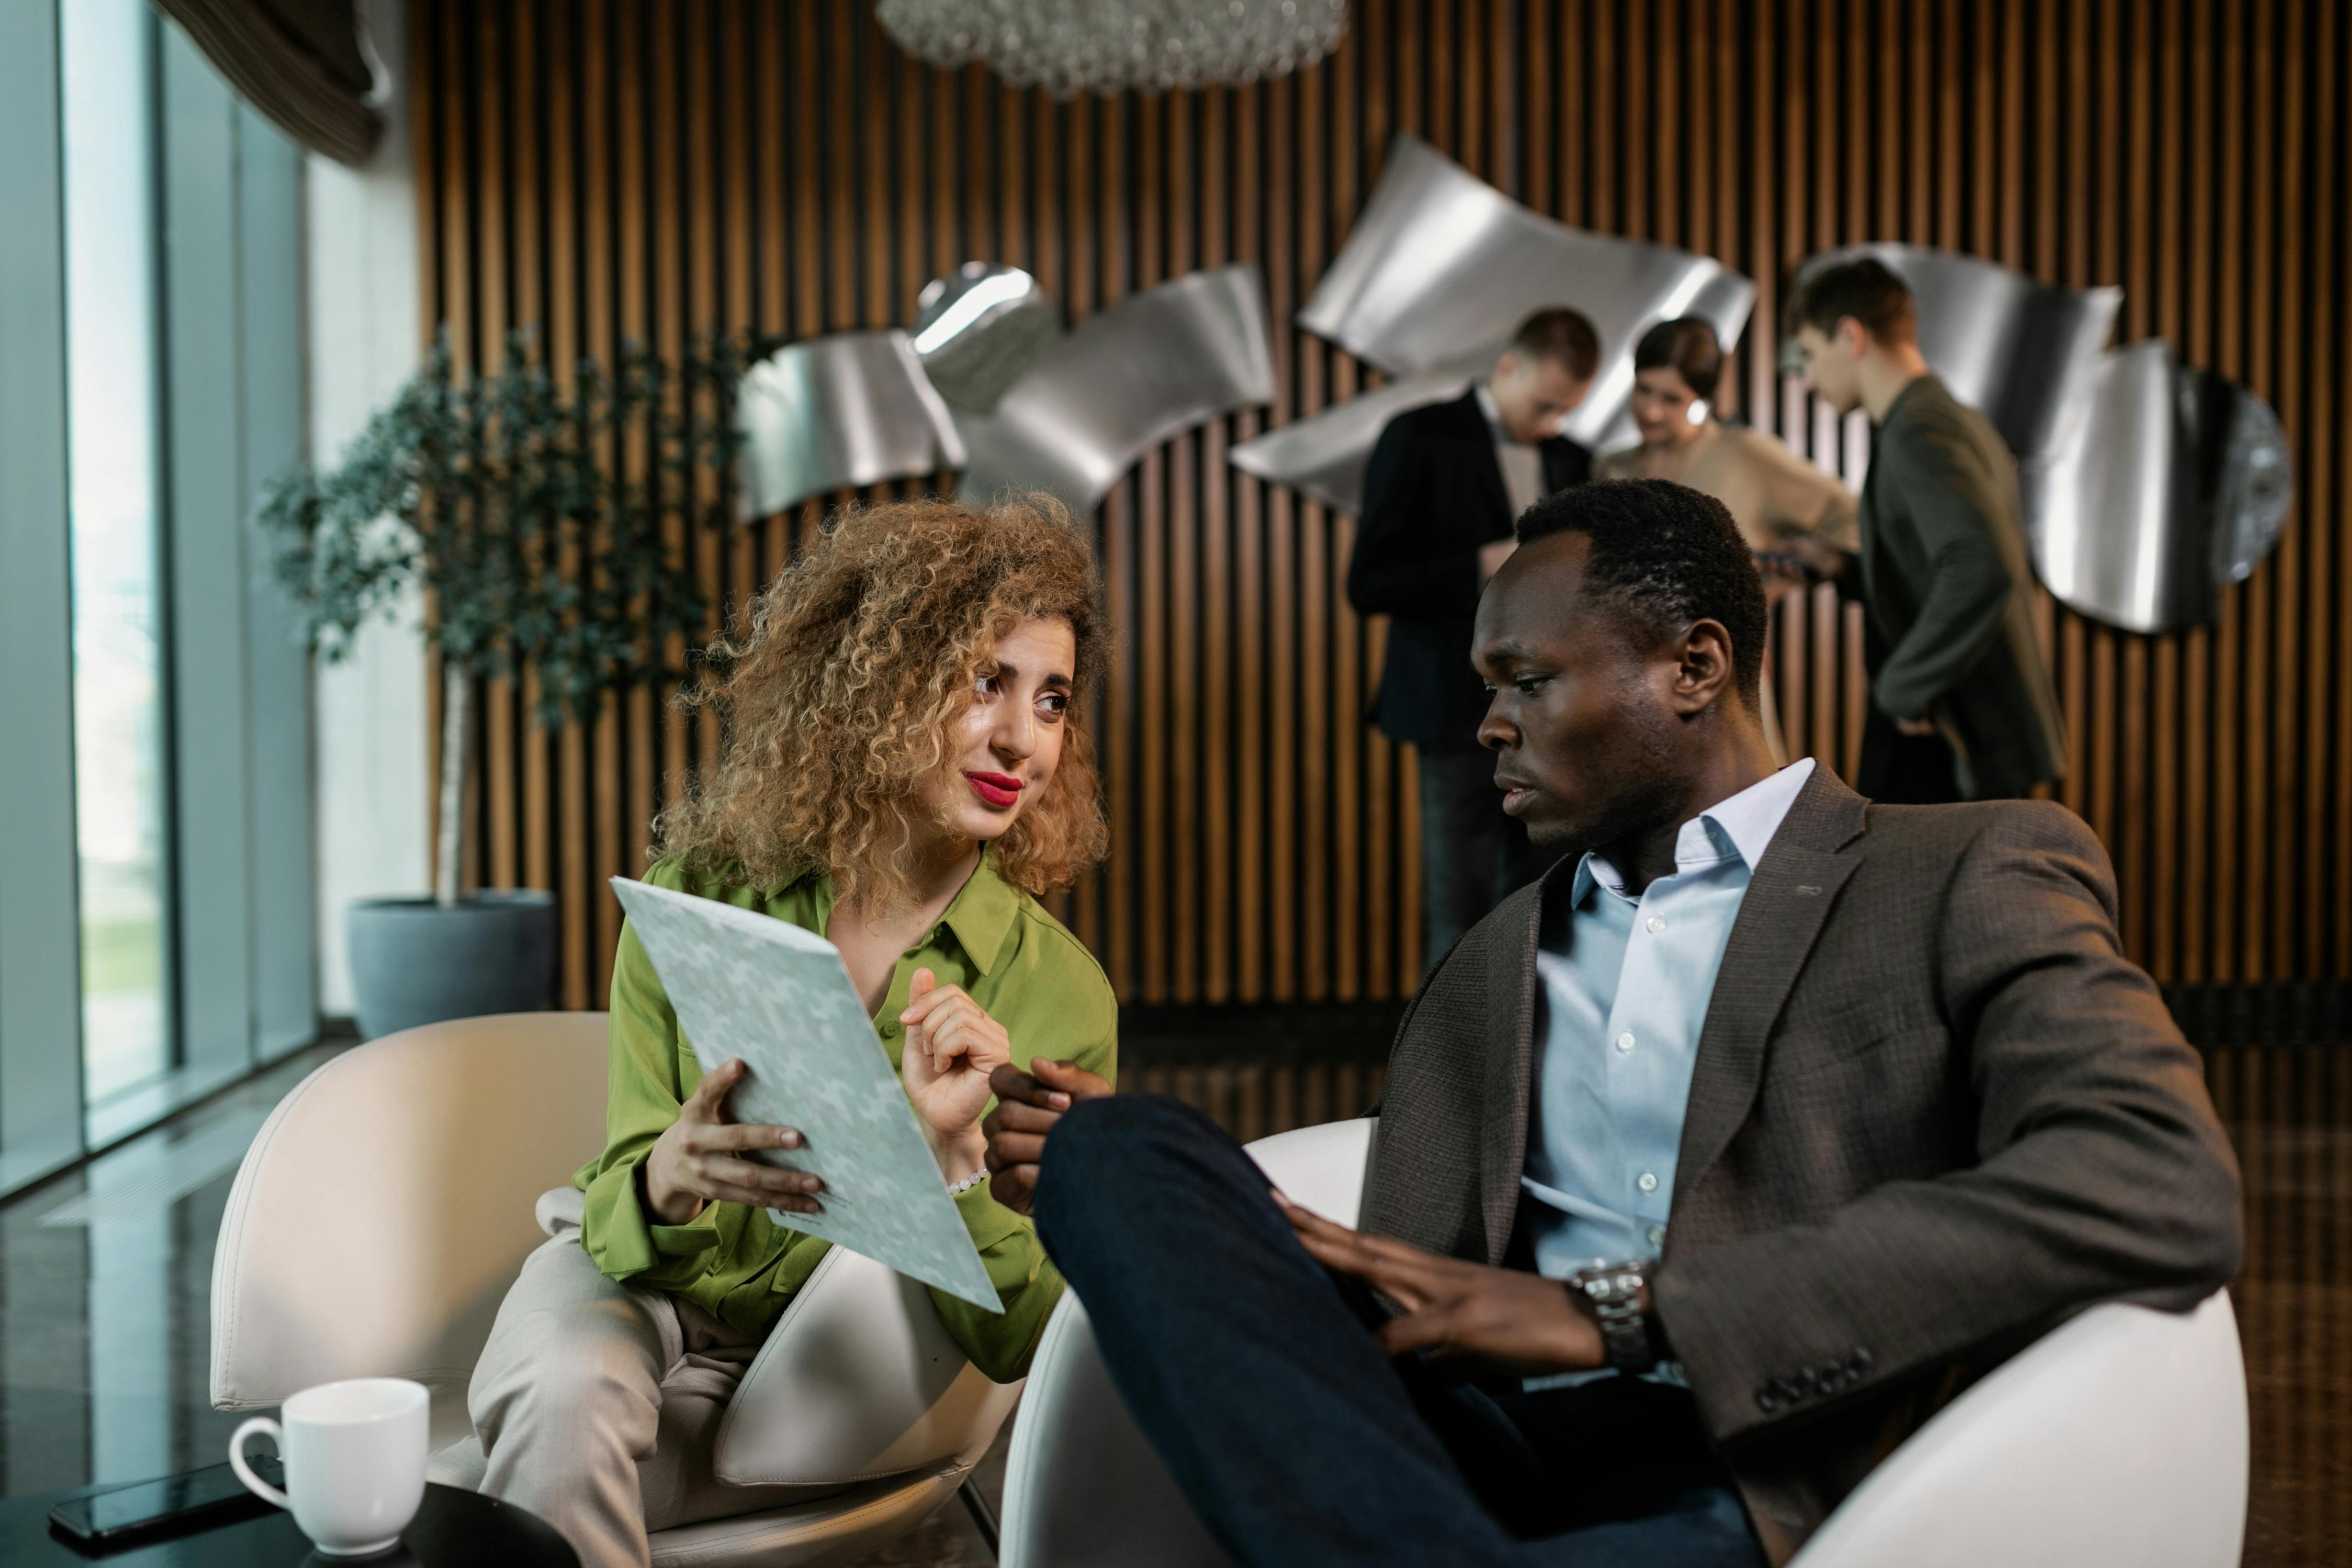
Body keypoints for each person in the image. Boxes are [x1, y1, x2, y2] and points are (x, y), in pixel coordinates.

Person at [984, 479, 2239, 1567]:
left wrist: (1627, 1310)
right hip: (1462, 1460)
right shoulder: (1484, 964)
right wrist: (1206, 1209)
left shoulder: (1962, 867)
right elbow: (1400, 1308)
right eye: (1489, 687)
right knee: (1124, 1150)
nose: (1487, 724)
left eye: (1527, 680)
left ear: (1695, 667)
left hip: (1759, 1468)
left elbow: (2155, 1176)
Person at [436, 496, 1119, 1568]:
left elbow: (1021, 1330)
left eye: (1051, 699)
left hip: (832, 1355)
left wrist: (950, 1168)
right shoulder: (698, 895)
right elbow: (619, 1197)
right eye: (985, 680)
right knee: (562, 1396)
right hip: (634, 1281)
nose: (1019, 738)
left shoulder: (1059, 993)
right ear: (882, 685)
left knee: (503, 1489)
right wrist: (669, 1174)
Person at [1347, 306, 1600, 970]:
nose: (1550, 425)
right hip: (1451, 707)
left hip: (1550, 714)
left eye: (1564, 412)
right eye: (1544, 405)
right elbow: (1367, 583)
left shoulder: (1571, 457)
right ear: (1508, 367)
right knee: (1456, 901)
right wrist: (1478, 566)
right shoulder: (1420, 435)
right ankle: (1450, 1062)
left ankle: (1534, 1053)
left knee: (1548, 893)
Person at [1787, 257, 2066, 803]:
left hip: (1951, 734)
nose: (1809, 379)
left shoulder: (1920, 427)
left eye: (1810, 355)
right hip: (1952, 726)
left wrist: (1900, 689)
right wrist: (1843, 568)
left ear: (1850, 335)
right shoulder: (1936, 415)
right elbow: (1947, 560)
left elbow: (1979, 566)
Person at [1595, 316, 1857, 764]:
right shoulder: (1610, 470)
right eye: (1644, 391)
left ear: (1702, 399)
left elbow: (1848, 515)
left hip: (1721, 675)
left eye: (1672, 399)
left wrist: (1800, 570)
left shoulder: (1743, 455)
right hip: (1630, 680)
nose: (1653, 411)